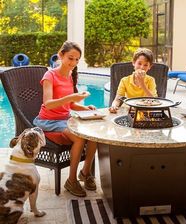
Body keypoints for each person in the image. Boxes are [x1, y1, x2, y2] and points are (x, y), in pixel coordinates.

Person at [33, 41, 97, 197]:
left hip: (65, 119)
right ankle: (71, 181)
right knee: (79, 138)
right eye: (71, 58)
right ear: (60, 55)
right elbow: (48, 104)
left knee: (95, 135)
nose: (74, 63)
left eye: (77, 60)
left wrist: (85, 108)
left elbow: (70, 105)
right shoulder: (50, 75)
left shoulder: (70, 76)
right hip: (49, 121)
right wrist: (71, 97)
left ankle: (85, 172)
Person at [109, 48, 157, 113]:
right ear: (134, 63)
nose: (142, 67)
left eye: (145, 65)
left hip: (144, 111)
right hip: (127, 110)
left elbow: (154, 100)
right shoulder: (125, 80)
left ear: (150, 66)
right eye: (139, 63)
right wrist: (113, 106)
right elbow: (117, 99)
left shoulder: (151, 80)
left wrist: (142, 83)